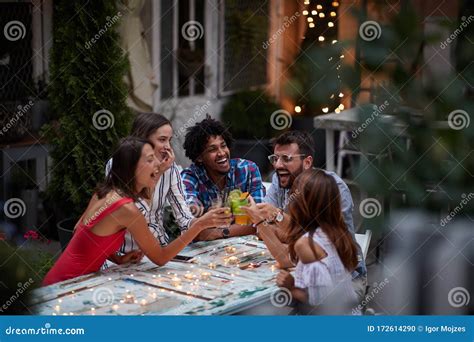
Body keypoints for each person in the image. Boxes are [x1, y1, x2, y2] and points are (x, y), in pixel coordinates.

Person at [43, 137, 231, 286]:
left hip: (62, 282)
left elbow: (80, 230)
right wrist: (200, 224)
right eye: (150, 160)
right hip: (65, 288)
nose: (157, 164)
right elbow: (160, 257)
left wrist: (117, 258)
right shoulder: (127, 210)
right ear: (131, 168)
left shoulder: (105, 191)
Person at [243, 130, 367, 300]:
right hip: (302, 269)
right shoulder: (279, 179)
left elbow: (308, 245)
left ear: (307, 161)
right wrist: (271, 224)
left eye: (286, 158)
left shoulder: (330, 188)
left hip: (346, 282)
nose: (278, 165)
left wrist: (277, 217)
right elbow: (276, 231)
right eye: (275, 158)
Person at [259, 169, 359, 314]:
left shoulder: (307, 244)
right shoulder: (335, 231)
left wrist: (291, 287)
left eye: (294, 195)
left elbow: (319, 300)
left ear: (302, 204)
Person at [106, 113, 204, 251]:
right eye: (162, 140)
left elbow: (184, 217)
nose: (168, 147)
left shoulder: (171, 169)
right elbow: (136, 214)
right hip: (123, 253)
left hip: (158, 247)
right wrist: (159, 173)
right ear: (143, 140)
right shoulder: (117, 164)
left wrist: (204, 223)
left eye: (169, 140)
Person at [181, 115, 265, 241]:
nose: (221, 153)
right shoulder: (190, 177)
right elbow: (189, 223)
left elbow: (259, 222)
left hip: (245, 248)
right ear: (199, 157)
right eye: (212, 149)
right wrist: (203, 216)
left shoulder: (248, 170)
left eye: (223, 146)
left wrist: (220, 232)